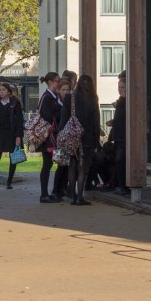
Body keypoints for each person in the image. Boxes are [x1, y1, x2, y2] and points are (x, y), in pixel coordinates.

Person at [67, 75, 102, 206]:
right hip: (87, 138)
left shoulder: (70, 98)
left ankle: (72, 196)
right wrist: (96, 141)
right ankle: (79, 198)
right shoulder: (92, 99)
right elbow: (95, 122)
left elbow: (65, 118)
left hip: (72, 137)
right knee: (82, 168)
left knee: (72, 166)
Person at [0, 83, 24, 190]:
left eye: (3, 90)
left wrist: (18, 136)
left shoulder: (15, 103)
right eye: (0, 90)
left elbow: (20, 120)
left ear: (9, 92)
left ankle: (9, 182)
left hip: (12, 134)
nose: (1, 91)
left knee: (13, 157)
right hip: (0, 134)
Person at [33, 73, 63, 202]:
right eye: (57, 81)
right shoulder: (47, 98)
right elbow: (48, 116)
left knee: (56, 163)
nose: (58, 84)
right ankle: (44, 194)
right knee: (48, 164)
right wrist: (61, 111)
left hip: (53, 138)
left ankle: (52, 192)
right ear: (50, 82)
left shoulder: (53, 96)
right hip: (49, 139)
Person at [100, 72, 128, 196]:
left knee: (121, 160)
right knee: (117, 161)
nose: (120, 90)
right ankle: (116, 184)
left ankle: (122, 186)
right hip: (117, 136)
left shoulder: (128, 102)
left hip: (124, 136)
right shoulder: (121, 101)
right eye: (119, 88)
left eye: (123, 87)